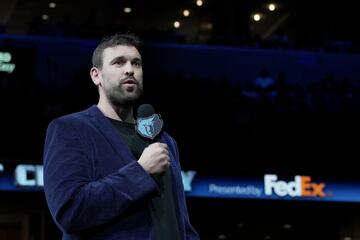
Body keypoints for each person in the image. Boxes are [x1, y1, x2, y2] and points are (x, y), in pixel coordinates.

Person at [43, 33, 199, 240]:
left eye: (136, 63)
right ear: (96, 75)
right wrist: (140, 171)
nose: (130, 70)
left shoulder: (165, 141)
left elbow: (180, 219)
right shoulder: (70, 129)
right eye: (118, 63)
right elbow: (70, 212)